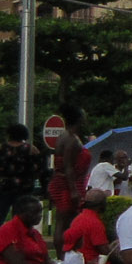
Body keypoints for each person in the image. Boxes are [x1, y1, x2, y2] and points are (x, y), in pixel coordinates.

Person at [46, 106, 90, 249]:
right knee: (64, 222)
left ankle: (70, 251)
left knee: (68, 222)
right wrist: (73, 190)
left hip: (68, 182)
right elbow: (68, 166)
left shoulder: (68, 136)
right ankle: (62, 254)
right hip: (67, 185)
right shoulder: (70, 139)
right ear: (79, 119)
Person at [0, 124, 44, 231]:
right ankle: (19, 240)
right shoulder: (30, 149)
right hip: (24, 188)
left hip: (4, 188)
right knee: (20, 218)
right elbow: (38, 167)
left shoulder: (2, 148)